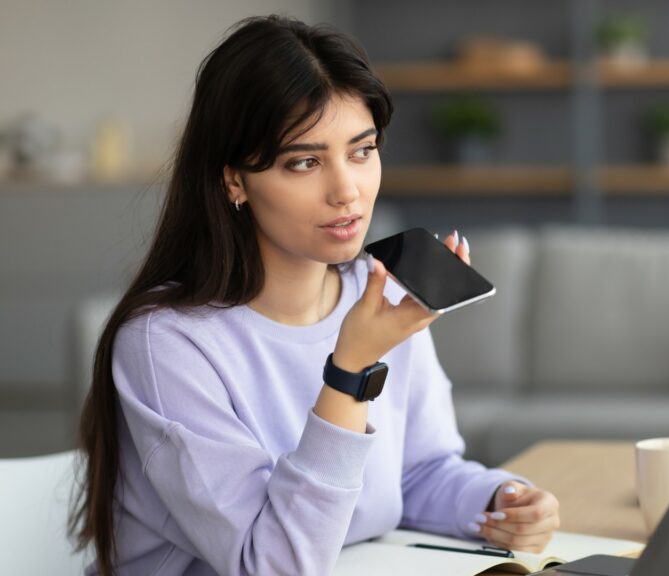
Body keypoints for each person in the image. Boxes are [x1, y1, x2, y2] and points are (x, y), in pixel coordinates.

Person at [71, 15, 560, 576]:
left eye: (361, 150)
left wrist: (500, 499)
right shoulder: (167, 343)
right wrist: (350, 370)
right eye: (304, 162)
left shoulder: (375, 295)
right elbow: (272, 565)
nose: (346, 191)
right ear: (234, 180)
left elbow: (417, 472)